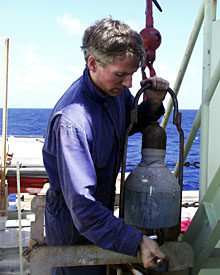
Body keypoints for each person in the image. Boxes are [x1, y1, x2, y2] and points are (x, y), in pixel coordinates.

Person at [43, 17, 169, 275]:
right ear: (93, 63)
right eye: (121, 75)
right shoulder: (72, 123)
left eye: (132, 74)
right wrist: (137, 241)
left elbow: (127, 125)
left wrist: (153, 104)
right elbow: (82, 206)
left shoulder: (114, 93)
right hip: (74, 236)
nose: (129, 84)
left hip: (100, 225)